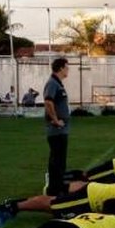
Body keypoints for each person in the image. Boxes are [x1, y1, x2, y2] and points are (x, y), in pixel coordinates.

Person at [0, 179, 115, 226]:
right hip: (92, 197)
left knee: (55, 203)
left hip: (93, 195)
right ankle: (12, 207)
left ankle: (15, 204)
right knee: (55, 206)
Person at [43, 57, 71, 196]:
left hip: (61, 130)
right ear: (60, 68)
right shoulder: (52, 83)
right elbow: (48, 102)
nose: (68, 69)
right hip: (56, 130)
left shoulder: (58, 83)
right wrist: (55, 119)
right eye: (67, 67)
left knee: (60, 160)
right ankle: (54, 189)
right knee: (57, 160)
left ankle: (57, 187)